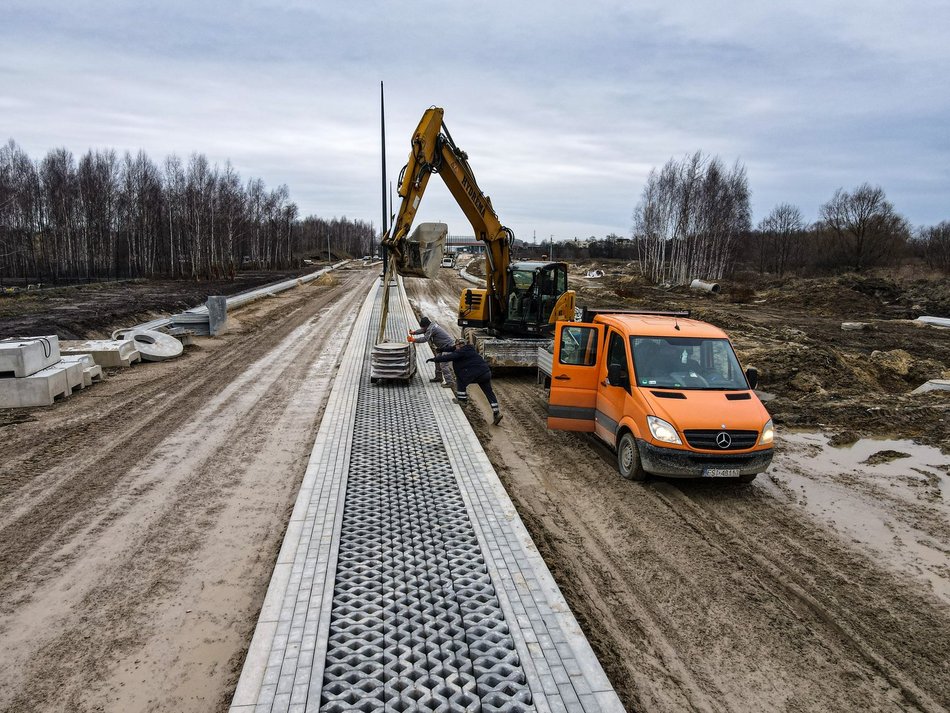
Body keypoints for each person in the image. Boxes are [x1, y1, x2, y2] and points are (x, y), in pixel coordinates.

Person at [429, 338, 503, 425]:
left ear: (460, 345)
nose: (455, 347)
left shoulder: (460, 352)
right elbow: (452, 348)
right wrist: (442, 349)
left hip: (474, 373)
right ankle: (496, 412)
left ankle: (462, 400)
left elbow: (449, 357)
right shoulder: (469, 348)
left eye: (456, 345)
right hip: (486, 373)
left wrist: (435, 359)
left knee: (460, 379)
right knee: (489, 392)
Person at [408, 316, 456, 388]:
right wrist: (414, 332)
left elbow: (425, 339)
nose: (422, 328)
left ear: (426, 325)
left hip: (449, 347)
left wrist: (414, 340)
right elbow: (423, 330)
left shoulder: (432, 328)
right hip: (443, 347)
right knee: (437, 359)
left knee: (443, 364)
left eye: (423, 327)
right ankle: (439, 377)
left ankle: (450, 382)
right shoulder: (431, 326)